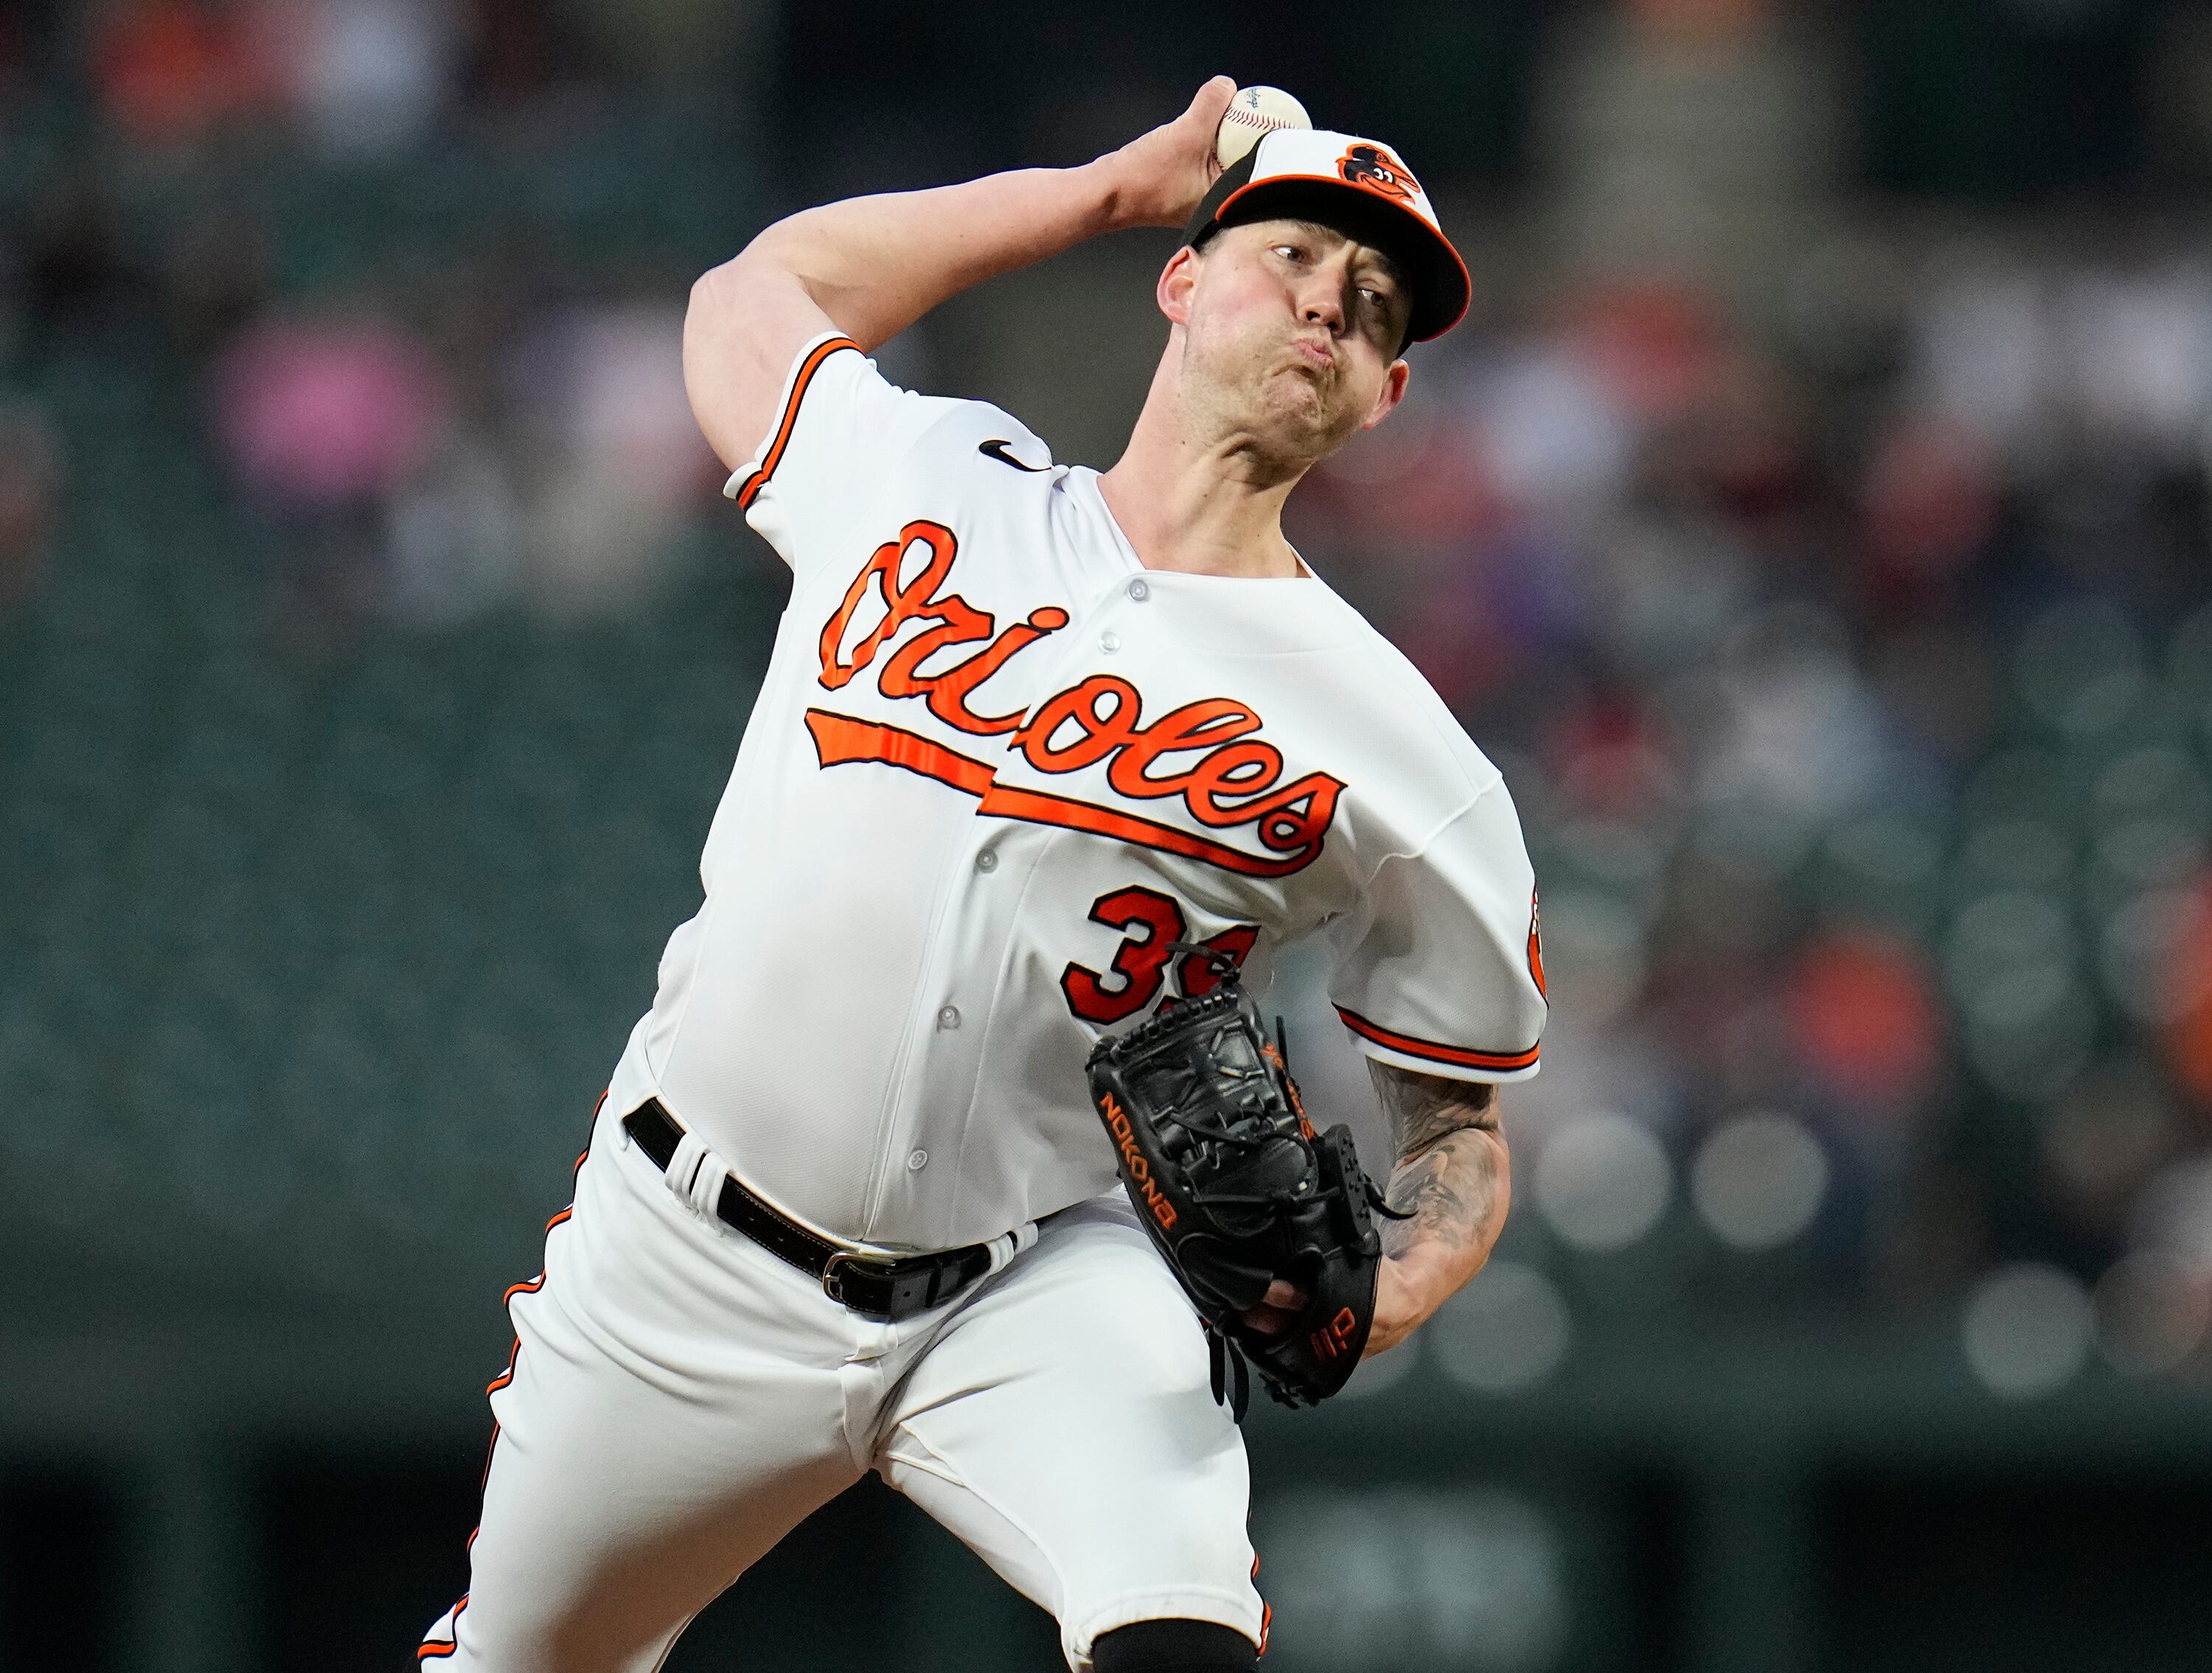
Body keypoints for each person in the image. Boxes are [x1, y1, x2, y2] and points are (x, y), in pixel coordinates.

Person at [420, 77, 1546, 1673]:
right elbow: (759, 292)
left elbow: (1458, 1125)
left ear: (1382, 395)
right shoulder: (927, 475)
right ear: (1182, 279)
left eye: (1373, 309)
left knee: (1182, 1634)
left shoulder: (1406, 753)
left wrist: (1393, 1291)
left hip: (1035, 1280)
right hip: (684, 1255)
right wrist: (1103, 190)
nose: (1328, 304)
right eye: (1293, 255)